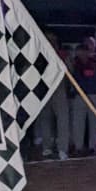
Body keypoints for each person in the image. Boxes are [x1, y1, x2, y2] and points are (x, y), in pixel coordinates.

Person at [35, 32, 72, 160]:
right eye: (48, 39)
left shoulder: (63, 55)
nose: (51, 42)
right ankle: (47, 147)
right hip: (44, 89)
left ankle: (62, 149)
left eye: (53, 40)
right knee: (45, 118)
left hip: (59, 89)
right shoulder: (39, 54)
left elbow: (70, 73)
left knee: (63, 120)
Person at [68, 36, 96, 155]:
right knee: (78, 122)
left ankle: (93, 146)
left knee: (94, 123)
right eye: (80, 51)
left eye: (84, 51)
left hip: (94, 95)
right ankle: (78, 147)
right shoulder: (75, 63)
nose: (82, 54)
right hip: (79, 96)